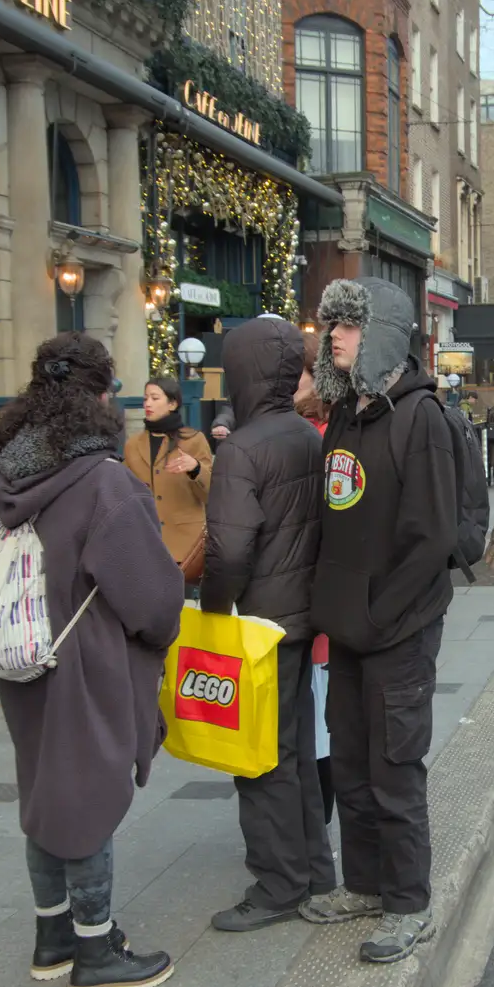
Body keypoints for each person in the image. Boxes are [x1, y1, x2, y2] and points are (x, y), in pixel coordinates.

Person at [0, 333, 182, 987]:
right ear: (99, 396)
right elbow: (150, 596)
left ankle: (53, 935)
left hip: (25, 657)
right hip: (85, 659)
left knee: (43, 789)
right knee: (88, 794)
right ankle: (95, 950)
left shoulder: (14, 471)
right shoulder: (103, 481)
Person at [302, 276, 457, 964]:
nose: (332, 334)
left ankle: (408, 902)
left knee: (395, 770)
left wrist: (380, 617)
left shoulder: (419, 418)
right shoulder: (345, 416)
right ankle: (363, 884)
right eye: (330, 323)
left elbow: (431, 539)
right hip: (349, 633)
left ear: (383, 335)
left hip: (396, 634)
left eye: (348, 324)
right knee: (355, 766)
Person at [200, 316, 334, 932]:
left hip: (257, 625)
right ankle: (313, 870)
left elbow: (228, 552)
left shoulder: (242, 449)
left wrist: (213, 612)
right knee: (299, 750)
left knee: (256, 756)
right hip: (303, 618)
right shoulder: (308, 437)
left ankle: (277, 883)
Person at [294, 331, 336, 824]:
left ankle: (316, 816)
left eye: (298, 376)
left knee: (319, 723)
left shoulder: (323, 439)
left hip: (313, 603)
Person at [124, 376, 212, 579]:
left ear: (172, 403)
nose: (147, 403)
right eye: (146, 398)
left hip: (185, 546)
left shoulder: (193, 440)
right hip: (144, 542)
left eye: (155, 398)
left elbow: (211, 493)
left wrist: (196, 469)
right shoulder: (132, 445)